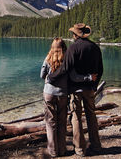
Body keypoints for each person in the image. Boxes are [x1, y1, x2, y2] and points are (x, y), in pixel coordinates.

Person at [48, 23, 103, 156]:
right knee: (91, 116)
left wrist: (52, 77)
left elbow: (65, 68)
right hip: (90, 89)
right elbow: (100, 69)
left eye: (73, 33)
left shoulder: (73, 48)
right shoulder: (95, 47)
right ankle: (96, 145)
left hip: (75, 89)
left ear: (75, 35)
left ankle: (79, 148)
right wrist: (94, 85)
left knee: (76, 117)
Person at [40, 37, 94, 157]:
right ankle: (62, 149)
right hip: (62, 94)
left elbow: (42, 75)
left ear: (52, 47)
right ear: (64, 47)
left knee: (50, 122)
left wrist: (48, 81)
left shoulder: (48, 58)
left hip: (48, 93)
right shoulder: (67, 60)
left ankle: (53, 151)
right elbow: (74, 77)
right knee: (62, 122)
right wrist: (89, 77)